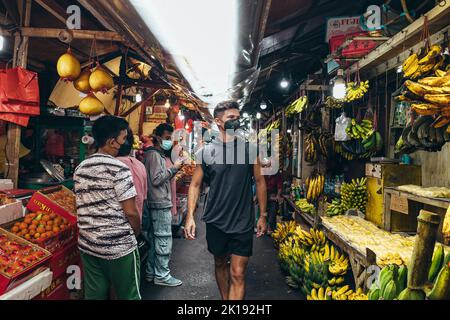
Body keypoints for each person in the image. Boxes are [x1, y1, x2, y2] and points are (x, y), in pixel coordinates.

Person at [185, 100, 268, 300]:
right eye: (231, 118)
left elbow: (260, 181)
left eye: (238, 118)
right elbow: (195, 185)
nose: (236, 121)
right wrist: (190, 216)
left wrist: (262, 215)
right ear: (218, 122)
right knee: (220, 263)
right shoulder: (206, 152)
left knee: (238, 273)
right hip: (216, 219)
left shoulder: (249, 149)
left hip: (242, 220)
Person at [73, 116, 142, 300]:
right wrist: (136, 232)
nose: (125, 143)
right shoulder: (119, 168)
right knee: (130, 295)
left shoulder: (80, 167)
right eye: (123, 138)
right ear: (112, 141)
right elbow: (131, 212)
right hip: (119, 247)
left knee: (95, 295)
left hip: (88, 244)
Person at [144, 123, 184, 287]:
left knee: (155, 240)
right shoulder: (154, 155)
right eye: (167, 138)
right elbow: (156, 179)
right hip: (159, 202)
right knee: (163, 240)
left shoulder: (156, 154)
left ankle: (151, 272)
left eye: (170, 138)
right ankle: (162, 275)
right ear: (158, 137)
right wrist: (174, 169)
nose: (169, 141)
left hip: (157, 201)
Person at [117, 128, 148, 220]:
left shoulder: (112, 165)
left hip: (118, 225)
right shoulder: (140, 165)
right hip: (137, 221)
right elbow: (144, 197)